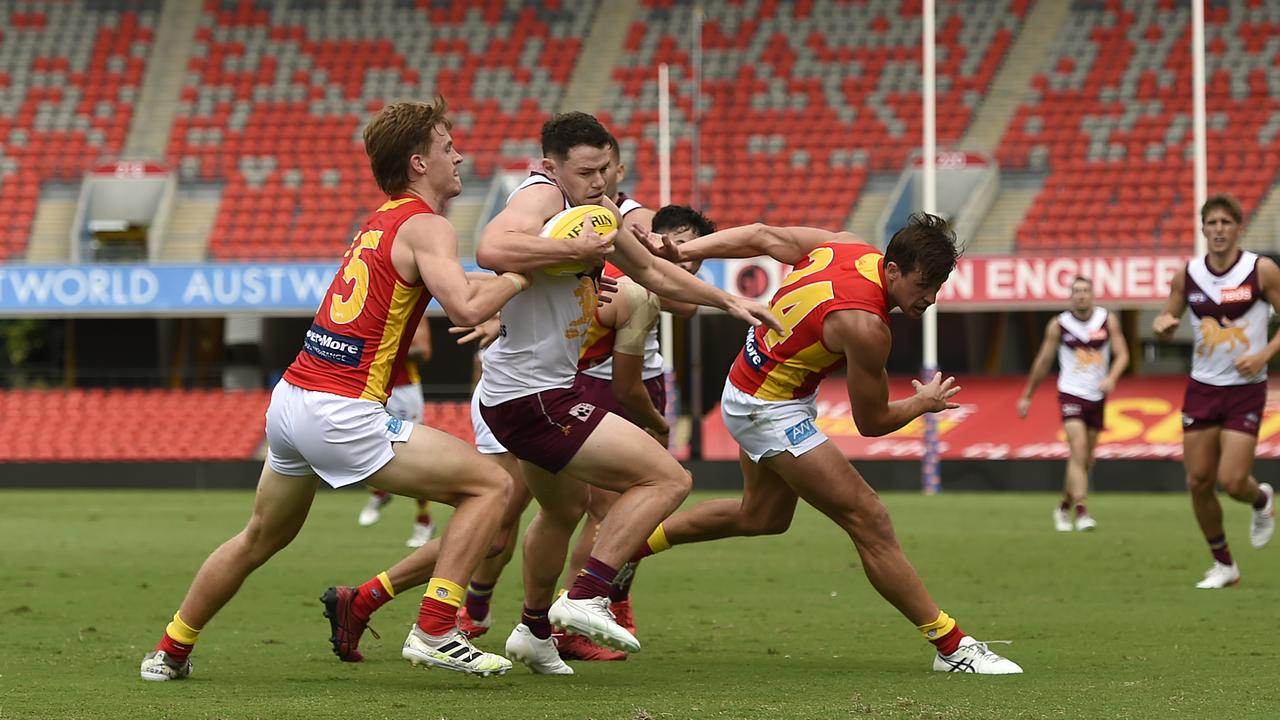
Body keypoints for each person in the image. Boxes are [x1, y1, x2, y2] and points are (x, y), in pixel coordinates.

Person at [139, 98, 527, 681]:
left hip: (292, 401)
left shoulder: (382, 220)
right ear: (419, 162)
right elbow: (466, 305)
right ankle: (437, 628)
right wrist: (522, 277)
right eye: (449, 146)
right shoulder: (429, 225)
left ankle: (169, 650)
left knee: (258, 537)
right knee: (493, 487)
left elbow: (458, 283)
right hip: (342, 411)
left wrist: (505, 288)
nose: (460, 155)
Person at [630, 212, 1023, 674]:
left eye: (937, 287)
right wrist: (923, 403)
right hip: (768, 407)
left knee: (761, 517)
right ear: (892, 271)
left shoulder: (846, 246)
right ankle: (952, 647)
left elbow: (762, 235)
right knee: (868, 517)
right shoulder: (867, 326)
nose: (930, 299)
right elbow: (872, 422)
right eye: (922, 286)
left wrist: (684, 251)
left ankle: (628, 546)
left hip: (750, 381)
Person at [475, 111, 779, 674]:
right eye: (587, 172)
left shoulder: (600, 212)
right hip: (533, 396)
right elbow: (491, 247)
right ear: (551, 167)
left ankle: (534, 631)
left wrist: (729, 303)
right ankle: (588, 594)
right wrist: (574, 251)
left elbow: (656, 276)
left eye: (607, 170)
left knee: (560, 512)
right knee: (668, 478)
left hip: (528, 392)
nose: (600, 182)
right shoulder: (540, 199)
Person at [556, 204, 714, 662]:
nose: (684, 260)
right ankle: (570, 610)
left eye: (694, 255)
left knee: (641, 510)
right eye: (677, 247)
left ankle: (609, 599)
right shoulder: (624, 279)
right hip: (604, 388)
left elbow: (681, 301)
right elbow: (684, 303)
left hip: (639, 384)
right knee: (602, 512)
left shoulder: (637, 279)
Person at [1152, 193, 1277, 589]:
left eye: (1226, 223)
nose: (1219, 230)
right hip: (1203, 388)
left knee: (1234, 480)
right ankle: (1225, 565)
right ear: (1203, 228)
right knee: (1198, 481)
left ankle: (1260, 500)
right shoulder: (1187, 275)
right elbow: (1169, 312)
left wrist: (1264, 356)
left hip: (1245, 389)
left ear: (1239, 227)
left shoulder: (1262, 270)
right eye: (1212, 223)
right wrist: (1164, 325)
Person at [1017, 276, 1129, 532]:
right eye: (1076, 291)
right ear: (1070, 296)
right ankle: (1082, 511)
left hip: (1097, 396)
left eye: (1085, 291)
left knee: (1086, 459)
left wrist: (1112, 378)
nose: (1080, 295)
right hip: (1071, 393)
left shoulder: (1106, 319)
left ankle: (1063, 507)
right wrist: (1027, 395)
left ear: (1092, 294)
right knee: (1077, 448)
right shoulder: (1059, 325)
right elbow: (1043, 361)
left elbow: (1123, 355)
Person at [357, 316, 440, 547]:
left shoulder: (415, 314)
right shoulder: (372, 306)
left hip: (404, 390)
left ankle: (424, 520)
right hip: (371, 387)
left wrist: (391, 346)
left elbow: (423, 352)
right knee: (364, 441)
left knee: (412, 455)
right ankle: (378, 493)